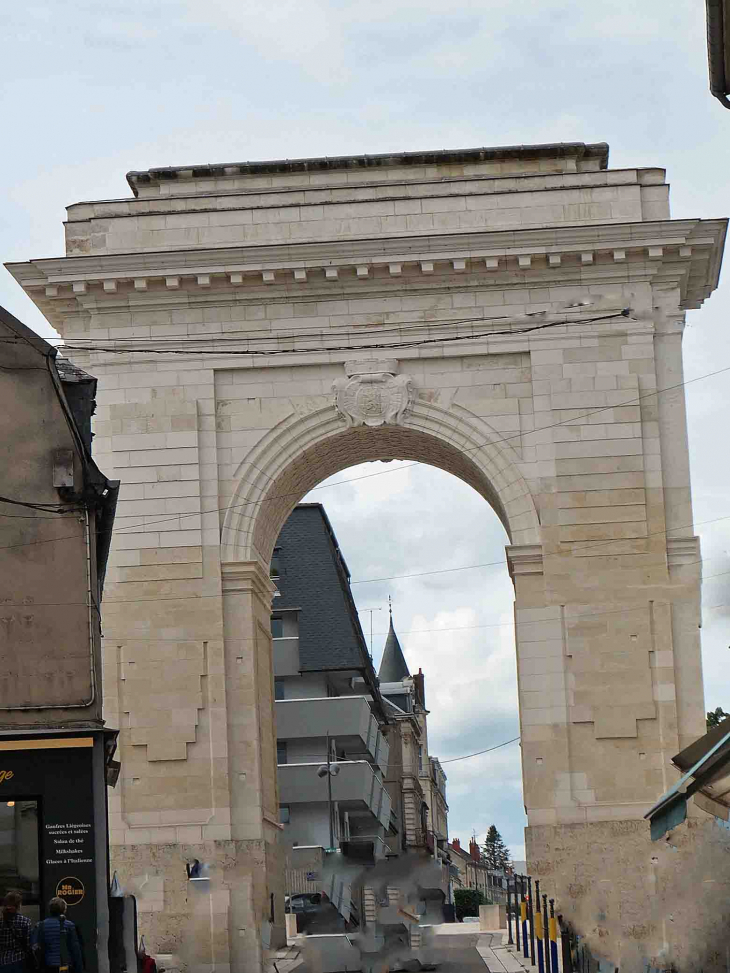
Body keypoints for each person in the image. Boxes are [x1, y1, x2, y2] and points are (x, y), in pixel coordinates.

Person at [35, 898, 83, 973]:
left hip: (48, 965)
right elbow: (75, 949)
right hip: (65, 965)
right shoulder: (69, 925)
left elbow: (39, 946)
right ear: (64, 910)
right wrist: (79, 969)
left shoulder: (42, 925)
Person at [0, 891, 32, 973]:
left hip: (3, 961)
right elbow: (28, 944)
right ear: (18, 905)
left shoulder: (1, 922)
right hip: (20, 961)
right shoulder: (25, 921)